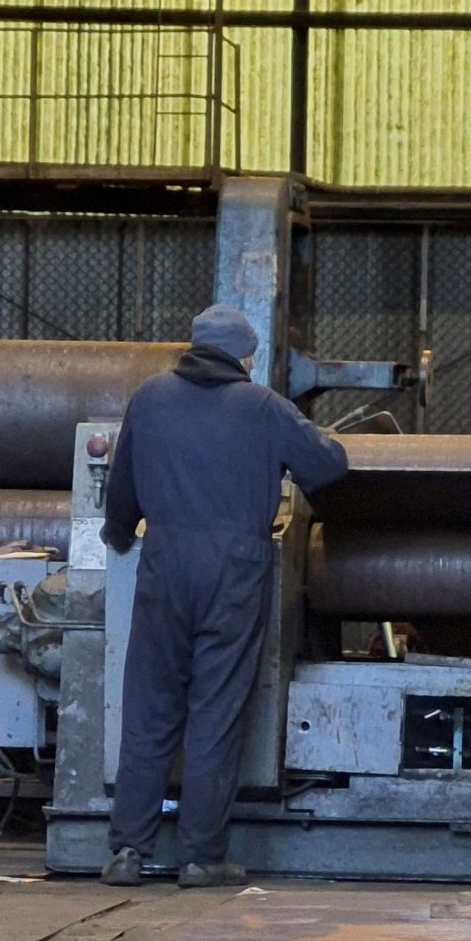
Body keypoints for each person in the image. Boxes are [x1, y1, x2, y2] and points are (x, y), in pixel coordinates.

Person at [100, 302, 349, 887]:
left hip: (164, 563)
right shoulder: (262, 406)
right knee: (215, 711)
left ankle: (127, 851)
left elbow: (122, 486)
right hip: (235, 571)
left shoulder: (150, 398)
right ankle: (200, 858)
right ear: (245, 356)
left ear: (193, 346)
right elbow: (326, 465)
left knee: (150, 709)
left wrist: (119, 534)